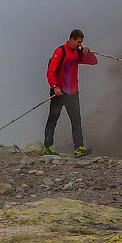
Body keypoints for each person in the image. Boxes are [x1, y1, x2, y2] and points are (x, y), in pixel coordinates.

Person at [44, 29, 97, 157]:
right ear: (71, 39)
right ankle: (48, 147)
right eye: (78, 42)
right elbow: (50, 71)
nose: (80, 44)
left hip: (72, 93)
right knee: (53, 118)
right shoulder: (60, 51)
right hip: (59, 92)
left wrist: (87, 53)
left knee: (76, 120)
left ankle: (78, 148)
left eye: (81, 42)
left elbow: (93, 61)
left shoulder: (77, 53)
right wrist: (55, 87)